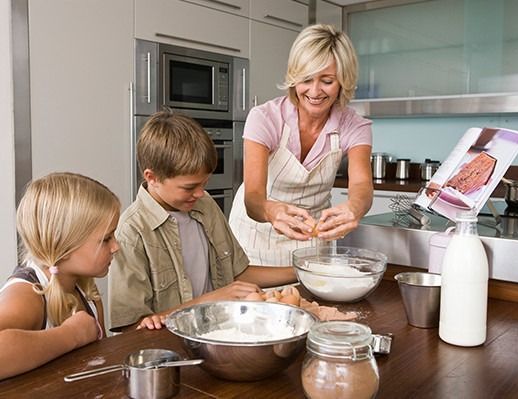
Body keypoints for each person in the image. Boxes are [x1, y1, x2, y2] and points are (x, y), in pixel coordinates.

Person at [108, 109, 296, 332]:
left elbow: (237, 273)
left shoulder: (204, 205)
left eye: (204, 184)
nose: (199, 193)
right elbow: (131, 328)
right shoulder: (131, 233)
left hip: (223, 332)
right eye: (189, 187)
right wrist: (212, 299)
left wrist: (301, 271)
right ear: (152, 178)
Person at [229, 24, 374, 266]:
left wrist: (354, 208)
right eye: (306, 79)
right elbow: (253, 196)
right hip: (255, 239)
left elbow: (361, 185)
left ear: (342, 81)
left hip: (312, 243)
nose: (315, 91)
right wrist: (270, 211)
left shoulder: (354, 125)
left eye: (327, 81)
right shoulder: (265, 118)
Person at [0, 172, 120, 380]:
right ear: (63, 244)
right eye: (107, 238)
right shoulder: (27, 294)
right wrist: (72, 335)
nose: (116, 246)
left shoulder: (86, 289)